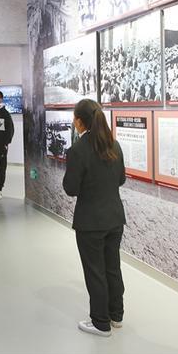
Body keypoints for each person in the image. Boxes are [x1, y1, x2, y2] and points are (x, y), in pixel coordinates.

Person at [62, 99, 126, 338]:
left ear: (79, 122)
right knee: (112, 267)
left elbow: (71, 188)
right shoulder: (114, 144)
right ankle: (116, 315)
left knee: (95, 271)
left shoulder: (78, 150)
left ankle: (100, 322)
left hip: (90, 222)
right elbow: (121, 179)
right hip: (114, 218)